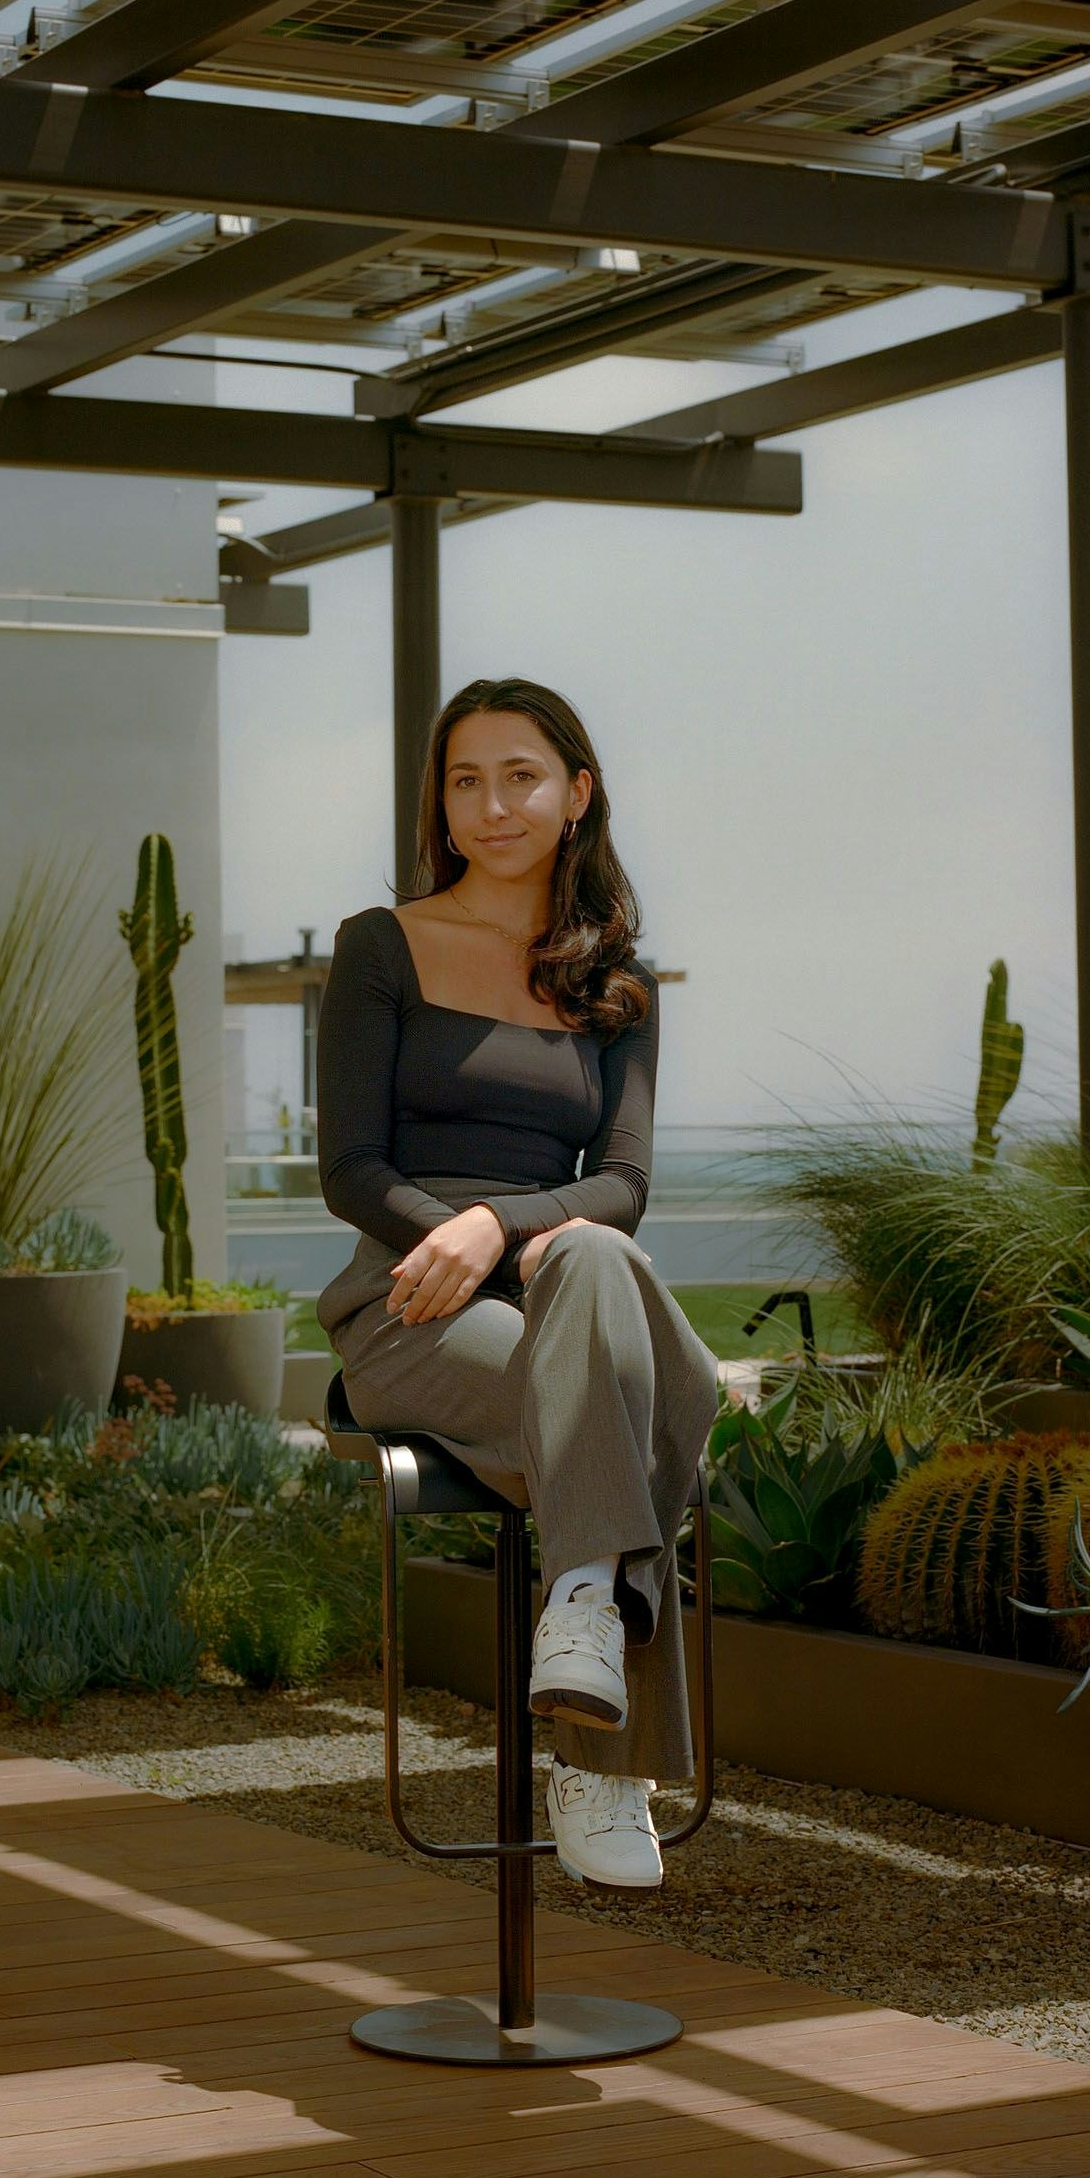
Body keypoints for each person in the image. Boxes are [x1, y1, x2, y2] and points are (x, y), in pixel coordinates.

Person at [313, 677, 722, 1895]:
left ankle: (583, 1600)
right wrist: (461, 1239)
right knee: (647, 1403)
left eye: (520, 776)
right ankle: (604, 1765)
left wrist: (502, 1226)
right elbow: (350, 1168)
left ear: (576, 793)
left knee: (594, 1255)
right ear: (439, 804)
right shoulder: (381, 945)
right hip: (411, 1302)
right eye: (465, 780)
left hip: (558, 1278)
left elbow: (624, 1185)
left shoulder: (620, 983)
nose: (491, 805)